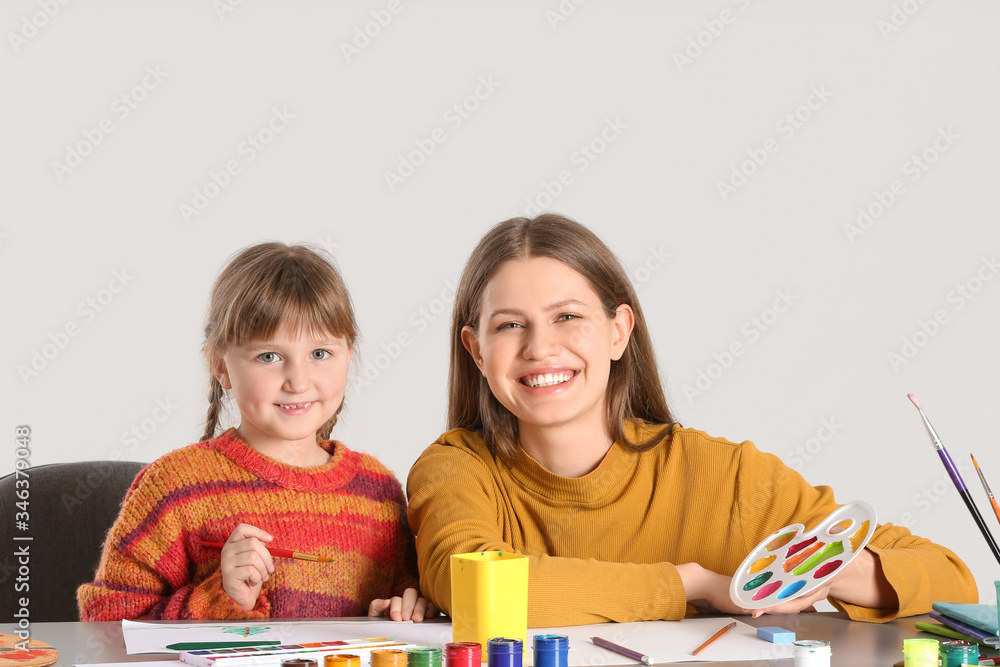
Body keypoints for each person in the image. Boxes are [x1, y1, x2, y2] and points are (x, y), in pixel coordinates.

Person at [406, 213, 978, 628]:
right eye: (509, 325)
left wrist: (815, 573)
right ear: (476, 351)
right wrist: (694, 584)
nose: (540, 347)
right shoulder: (455, 469)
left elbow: (952, 577)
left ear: (618, 331)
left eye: (567, 317)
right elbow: (474, 585)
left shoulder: (721, 478)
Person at [78, 242, 434, 622]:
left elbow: (407, 600)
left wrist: (406, 608)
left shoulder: (378, 491)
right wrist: (220, 597)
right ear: (221, 366)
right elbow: (105, 627)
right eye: (269, 357)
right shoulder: (174, 488)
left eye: (320, 354)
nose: (298, 381)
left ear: (349, 354)